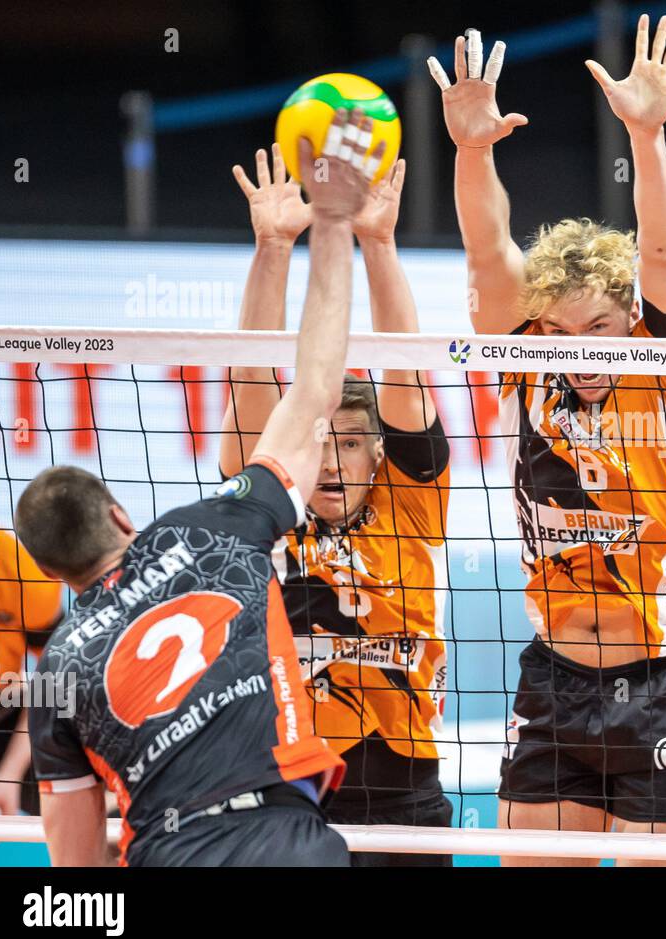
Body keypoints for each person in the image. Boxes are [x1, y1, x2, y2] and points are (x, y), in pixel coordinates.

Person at [14, 110, 380, 866]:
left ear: (51, 574)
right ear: (121, 514)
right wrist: (335, 225)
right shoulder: (211, 532)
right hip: (285, 840)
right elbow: (312, 392)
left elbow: (77, 872)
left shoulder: (57, 670)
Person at [428, 15, 666, 866]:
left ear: (632, 320)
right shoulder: (529, 371)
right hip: (553, 683)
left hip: (664, 689)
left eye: (598, 327)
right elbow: (489, 257)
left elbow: (664, 250)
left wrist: (646, 133)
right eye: (559, 331)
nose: (580, 348)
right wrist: (473, 151)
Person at [220, 145, 453, 866]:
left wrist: (377, 244)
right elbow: (252, 376)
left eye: (348, 443)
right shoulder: (267, 507)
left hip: (406, 795)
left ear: (376, 455)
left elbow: (406, 377)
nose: (327, 460)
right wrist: (272, 249)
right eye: (317, 441)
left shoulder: (411, 505)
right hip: (286, 789)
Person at [0, 419, 63, 817]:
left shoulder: (23, 565)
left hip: (2, 713)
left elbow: (56, 678)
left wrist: (10, 772)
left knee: (73, 705)